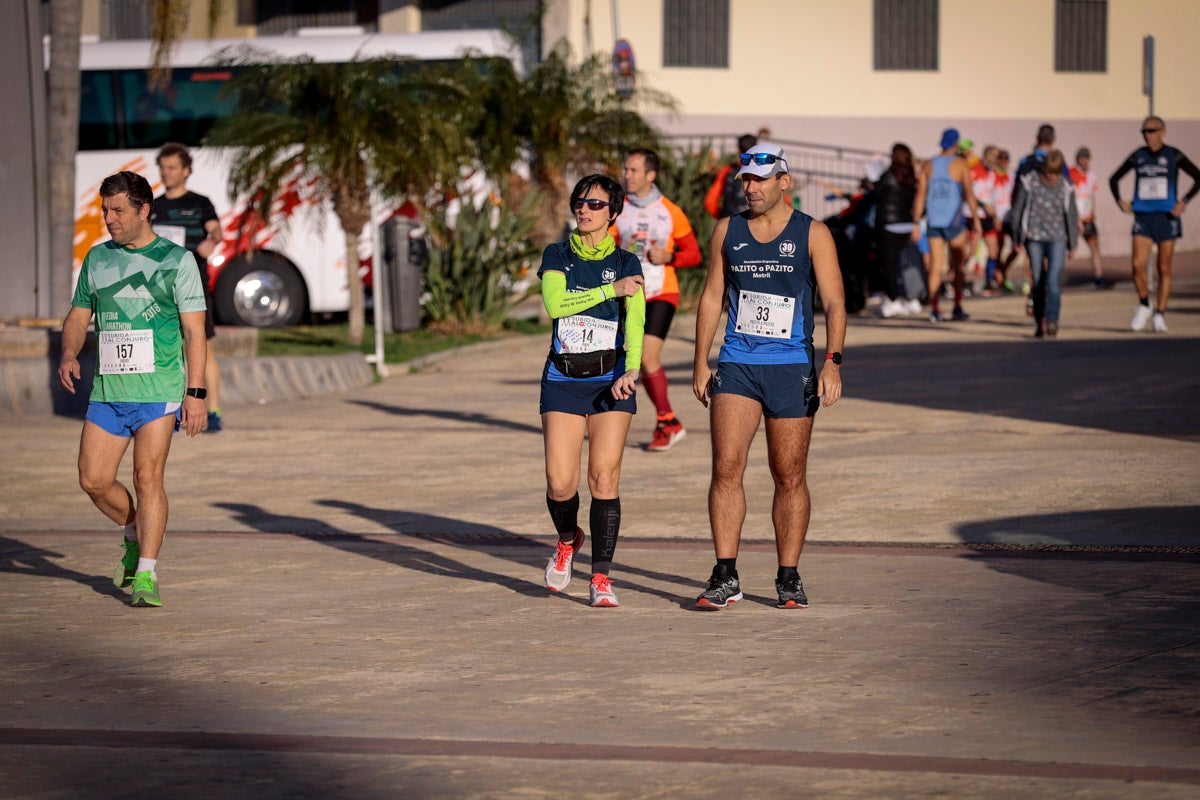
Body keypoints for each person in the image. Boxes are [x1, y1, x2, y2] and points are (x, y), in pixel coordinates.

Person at [691, 143, 846, 610]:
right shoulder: (727, 230)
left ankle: (788, 576)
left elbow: (835, 302)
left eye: (760, 180)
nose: (750, 188)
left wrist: (833, 362)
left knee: (789, 474)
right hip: (738, 364)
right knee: (726, 469)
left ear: (785, 181)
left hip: (792, 366)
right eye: (745, 180)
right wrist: (702, 361)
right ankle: (725, 574)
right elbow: (711, 296)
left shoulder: (813, 234)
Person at [57, 171, 208, 608]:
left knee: (147, 477)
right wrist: (69, 353)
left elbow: (194, 334)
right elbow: (78, 313)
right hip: (108, 390)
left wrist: (195, 395)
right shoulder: (97, 259)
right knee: (94, 481)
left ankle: (146, 573)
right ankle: (133, 532)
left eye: (118, 210)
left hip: (159, 389)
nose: (109, 218)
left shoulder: (177, 261)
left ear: (144, 210)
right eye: (106, 209)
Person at [539, 174, 646, 608]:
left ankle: (601, 577)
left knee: (604, 477)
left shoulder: (627, 262)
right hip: (563, 378)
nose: (584, 209)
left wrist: (633, 368)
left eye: (596, 204)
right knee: (560, 483)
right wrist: (608, 290)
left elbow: (635, 320)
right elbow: (555, 305)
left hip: (610, 378)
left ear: (614, 213)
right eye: (580, 201)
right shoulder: (557, 254)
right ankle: (568, 539)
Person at [614, 148, 702, 451]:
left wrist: (669, 256)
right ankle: (669, 422)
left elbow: (694, 254)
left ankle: (666, 420)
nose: (627, 175)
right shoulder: (618, 209)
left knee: (647, 356)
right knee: (630, 358)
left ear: (650, 175)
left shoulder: (670, 211)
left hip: (662, 292)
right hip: (629, 294)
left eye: (634, 170)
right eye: (626, 169)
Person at [152, 142, 225, 432]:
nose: (166, 173)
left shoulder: (200, 202)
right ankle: (167, 412)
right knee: (164, 349)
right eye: (162, 167)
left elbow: (215, 228)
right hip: (160, 290)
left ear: (186, 171)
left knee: (202, 347)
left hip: (194, 288)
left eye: (171, 167)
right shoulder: (154, 207)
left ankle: (214, 412)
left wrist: (213, 240)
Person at [1108, 116, 1200, 333]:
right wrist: (1119, 201)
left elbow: (1198, 177)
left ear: (1162, 132)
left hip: (1167, 218)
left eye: (1151, 131)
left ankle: (1160, 313)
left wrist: (1184, 202)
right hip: (1143, 217)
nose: (1147, 136)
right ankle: (1144, 304)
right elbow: (1114, 178)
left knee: (1163, 267)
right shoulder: (1138, 155)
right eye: (1144, 132)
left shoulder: (1173, 155)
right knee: (1137, 265)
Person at [912, 128, 982, 322]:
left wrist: (916, 221)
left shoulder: (929, 164)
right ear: (956, 144)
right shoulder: (960, 164)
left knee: (935, 266)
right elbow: (969, 193)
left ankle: (935, 308)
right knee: (957, 266)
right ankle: (957, 306)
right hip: (954, 221)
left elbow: (920, 195)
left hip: (934, 220)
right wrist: (976, 219)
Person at [1012, 149, 1079, 338]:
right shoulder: (1030, 181)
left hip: (1058, 239)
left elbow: (1072, 215)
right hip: (1035, 238)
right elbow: (1018, 209)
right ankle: (1039, 321)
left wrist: (1072, 243)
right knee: (1038, 281)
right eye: (1048, 172)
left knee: (1053, 281)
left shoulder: (1066, 185)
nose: (1051, 177)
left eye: (1055, 173)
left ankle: (1052, 320)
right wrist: (1017, 237)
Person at [872, 143, 922, 317]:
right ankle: (911, 298)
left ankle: (893, 300)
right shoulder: (911, 176)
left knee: (889, 266)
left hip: (888, 225)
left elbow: (875, 195)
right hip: (906, 224)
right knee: (906, 264)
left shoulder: (888, 175)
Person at [1069, 147, 1111, 289]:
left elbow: (1092, 195)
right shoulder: (1070, 174)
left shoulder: (1092, 176)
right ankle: (1051, 279)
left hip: (1088, 219)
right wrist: (1075, 218)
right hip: (1074, 219)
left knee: (1095, 247)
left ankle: (1099, 277)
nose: (1085, 161)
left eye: (1087, 158)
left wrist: (1093, 211)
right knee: (1066, 249)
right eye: (1082, 158)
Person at [704, 133, 758, 219]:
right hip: (756, 224)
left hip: (730, 224)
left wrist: (723, 218)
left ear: (738, 150)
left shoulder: (727, 170)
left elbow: (710, 202)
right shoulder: (762, 171)